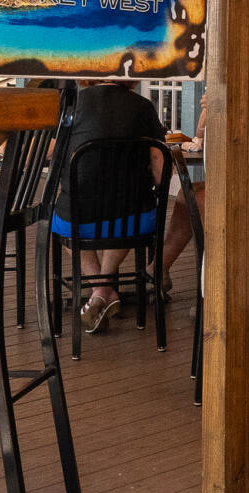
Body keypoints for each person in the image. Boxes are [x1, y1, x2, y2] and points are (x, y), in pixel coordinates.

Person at [154, 78, 249, 281]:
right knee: (186, 195)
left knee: (201, 199)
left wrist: (223, 112)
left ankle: (222, 283)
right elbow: (202, 135)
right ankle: (158, 269)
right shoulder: (246, 90)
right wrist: (210, 110)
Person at [56, 83, 170, 333]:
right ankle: (105, 292)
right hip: (133, 218)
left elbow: (57, 158)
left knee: (68, 224)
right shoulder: (143, 107)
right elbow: (160, 171)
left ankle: (99, 293)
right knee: (123, 214)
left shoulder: (70, 106)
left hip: (78, 218)